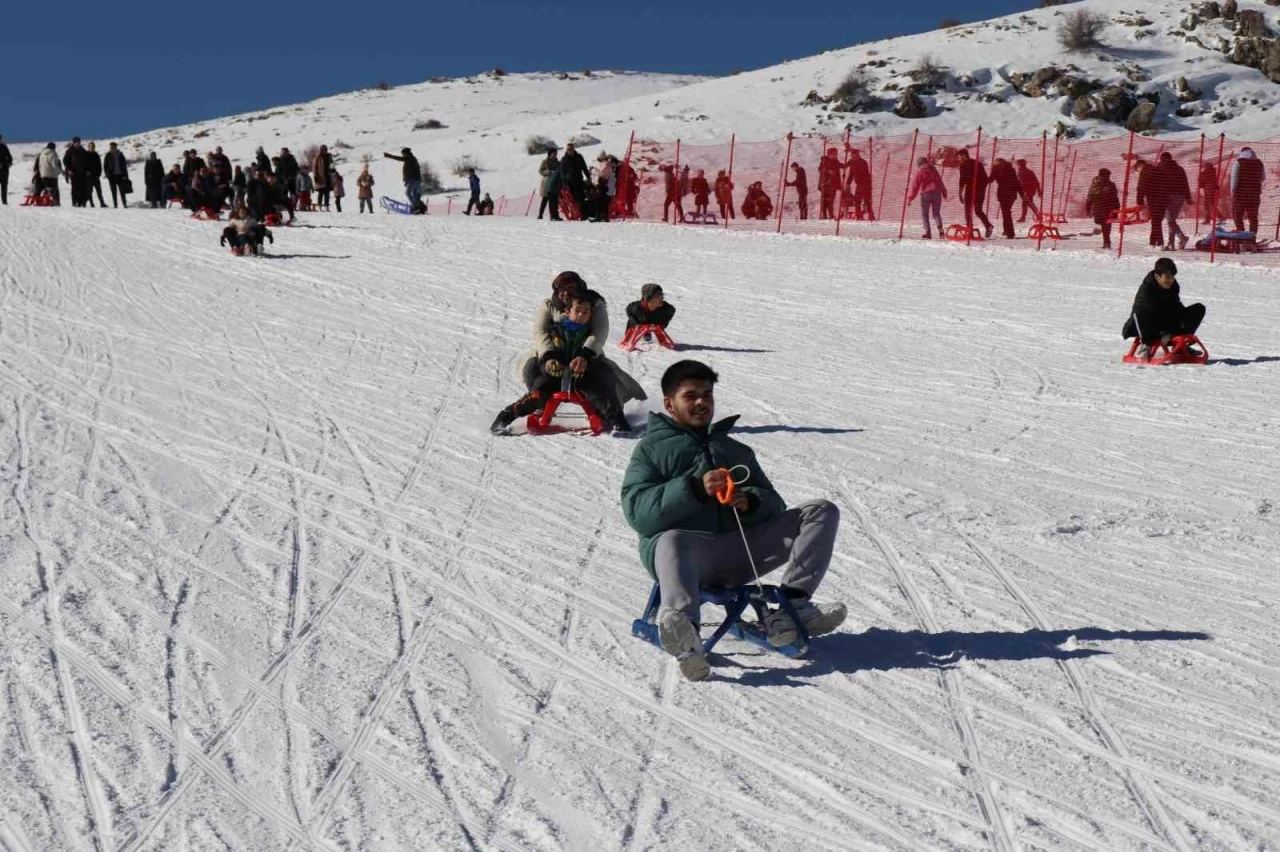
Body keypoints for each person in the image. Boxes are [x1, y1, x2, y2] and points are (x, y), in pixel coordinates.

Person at [620, 360, 847, 681]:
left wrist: (750, 501)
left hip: (740, 554)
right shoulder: (651, 451)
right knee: (671, 538)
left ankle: (792, 609)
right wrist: (695, 488)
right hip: (685, 558)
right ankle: (685, 630)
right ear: (670, 403)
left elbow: (774, 505)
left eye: (707, 395)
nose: (701, 402)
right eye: (691, 396)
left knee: (820, 511)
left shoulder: (734, 450)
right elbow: (638, 513)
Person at [490, 292, 632, 435]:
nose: (581, 315)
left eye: (585, 312)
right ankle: (506, 416)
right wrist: (549, 365)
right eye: (577, 311)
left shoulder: (592, 336)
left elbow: (597, 360)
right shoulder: (555, 332)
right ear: (567, 311)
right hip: (554, 377)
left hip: (582, 378)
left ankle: (617, 420)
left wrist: (586, 364)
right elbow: (545, 356)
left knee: (599, 391)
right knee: (538, 393)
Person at [517, 271, 647, 417]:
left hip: (585, 353)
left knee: (604, 373)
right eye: (561, 289)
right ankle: (539, 404)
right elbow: (540, 332)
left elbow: (599, 331)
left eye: (571, 288)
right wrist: (549, 356)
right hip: (554, 354)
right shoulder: (549, 305)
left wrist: (584, 356)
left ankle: (608, 409)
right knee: (531, 366)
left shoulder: (594, 304)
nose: (566, 293)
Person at [1122, 257, 1205, 360]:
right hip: (1147, 327)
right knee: (1141, 311)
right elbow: (1138, 314)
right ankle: (1145, 346)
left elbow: (1175, 306)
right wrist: (1152, 337)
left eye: (1173, 277)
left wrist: (1184, 323)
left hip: (1166, 323)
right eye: (1167, 277)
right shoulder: (1147, 290)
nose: (1171, 280)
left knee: (1198, 308)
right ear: (1157, 276)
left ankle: (1180, 346)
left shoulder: (1173, 286)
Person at [1154, 152, 1190, 251]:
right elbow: (1185, 183)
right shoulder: (1180, 169)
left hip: (1167, 196)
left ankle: (1182, 237)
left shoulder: (1159, 168)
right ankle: (1171, 243)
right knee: (1171, 220)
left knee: (1170, 220)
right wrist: (1188, 197)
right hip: (1180, 196)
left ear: (1161, 159)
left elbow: (1155, 183)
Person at [906, 156, 946, 239]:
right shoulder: (934, 170)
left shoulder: (920, 172)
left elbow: (915, 186)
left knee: (925, 214)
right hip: (937, 193)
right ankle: (941, 231)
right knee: (936, 213)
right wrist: (944, 192)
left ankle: (928, 233)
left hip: (926, 195)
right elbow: (940, 182)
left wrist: (910, 198)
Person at [956, 149, 993, 238]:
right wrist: (981, 188)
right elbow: (986, 179)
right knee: (978, 210)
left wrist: (960, 193)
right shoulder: (977, 163)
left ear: (964, 155)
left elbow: (962, 180)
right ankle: (988, 225)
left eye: (959, 157)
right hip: (979, 190)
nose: (959, 159)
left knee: (968, 211)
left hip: (971, 190)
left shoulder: (964, 165)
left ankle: (970, 232)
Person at [1085, 167, 1120, 249]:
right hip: (1100, 208)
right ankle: (1107, 243)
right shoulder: (1096, 184)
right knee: (1104, 224)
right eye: (1106, 176)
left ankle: (1107, 243)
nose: (1107, 178)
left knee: (1106, 225)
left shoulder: (1110, 184)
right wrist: (1088, 209)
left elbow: (1115, 198)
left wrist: (1116, 209)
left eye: (1108, 176)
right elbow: (1090, 197)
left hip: (1107, 208)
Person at [1230, 147, 1264, 234]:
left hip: (1241, 195)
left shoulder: (1238, 163)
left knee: (1237, 215)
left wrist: (1232, 190)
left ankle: (1241, 234)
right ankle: (1252, 237)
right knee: (1253, 217)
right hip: (1254, 195)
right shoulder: (1259, 163)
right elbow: (1263, 178)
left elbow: (1234, 178)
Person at [1134, 160, 1164, 247]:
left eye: (1137, 169)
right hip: (1164, 197)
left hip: (1154, 198)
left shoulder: (1144, 172)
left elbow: (1141, 187)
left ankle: (1157, 243)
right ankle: (1155, 242)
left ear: (1140, 166)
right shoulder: (1157, 170)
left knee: (1155, 221)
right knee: (1157, 220)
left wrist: (1140, 201)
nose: (1138, 171)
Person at [384, 147, 424, 212]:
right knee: (414, 194)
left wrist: (389, 156)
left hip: (413, 180)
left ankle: (415, 207)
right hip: (417, 179)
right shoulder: (413, 158)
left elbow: (399, 158)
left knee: (408, 193)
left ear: (406, 153)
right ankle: (421, 206)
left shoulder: (409, 158)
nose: (402, 155)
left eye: (403, 154)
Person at [990, 157, 1020, 239]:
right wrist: (1021, 194)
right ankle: (1007, 230)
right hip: (1012, 194)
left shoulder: (996, 169)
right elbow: (1016, 182)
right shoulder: (1011, 169)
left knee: (1006, 213)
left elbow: (990, 180)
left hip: (1003, 194)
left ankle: (1010, 233)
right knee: (1006, 212)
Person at [560, 142, 590, 209]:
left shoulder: (579, 157)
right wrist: (564, 184)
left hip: (579, 180)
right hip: (570, 182)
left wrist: (589, 177)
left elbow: (584, 168)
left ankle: (583, 213)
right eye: (568, 149)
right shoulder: (564, 159)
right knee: (574, 199)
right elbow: (562, 173)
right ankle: (577, 213)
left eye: (571, 149)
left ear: (574, 149)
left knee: (581, 197)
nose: (570, 150)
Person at [846, 149, 874, 221]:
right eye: (852, 155)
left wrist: (852, 163)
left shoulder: (862, 162)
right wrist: (848, 183)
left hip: (864, 183)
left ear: (857, 155)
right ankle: (860, 216)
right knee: (861, 201)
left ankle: (867, 216)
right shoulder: (854, 163)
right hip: (861, 184)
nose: (852, 156)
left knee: (864, 200)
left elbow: (861, 173)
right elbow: (851, 175)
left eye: (854, 155)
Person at [818, 147, 842, 220]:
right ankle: (825, 215)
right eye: (834, 154)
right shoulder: (825, 161)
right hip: (825, 184)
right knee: (825, 200)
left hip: (833, 184)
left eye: (836, 154)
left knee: (830, 200)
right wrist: (829, 172)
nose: (836, 155)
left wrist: (849, 163)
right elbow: (820, 170)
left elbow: (841, 165)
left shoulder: (835, 161)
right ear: (830, 154)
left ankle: (830, 215)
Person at [103, 142, 129, 208]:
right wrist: (107, 174)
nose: (111, 148)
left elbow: (124, 165)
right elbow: (105, 166)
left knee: (122, 191)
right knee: (113, 191)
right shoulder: (108, 155)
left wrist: (126, 175)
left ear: (115, 147)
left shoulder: (120, 154)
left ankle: (124, 204)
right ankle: (115, 205)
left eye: (113, 147)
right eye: (110, 147)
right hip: (112, 176)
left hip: (120, 175)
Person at [538, 150, 561, 220]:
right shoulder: (545, 162)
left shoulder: (558, 163)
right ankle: (540, 214)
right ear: (549, 154)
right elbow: (540, 171)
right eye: (553, 154)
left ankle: (554, 215)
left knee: (554, 200)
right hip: (546, 183)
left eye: (555, 154)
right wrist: (549, 172)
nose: (554, 155)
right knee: (545, 200)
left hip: (555, 184)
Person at [312, 145, 333, 209]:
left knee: (327, 192)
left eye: (325, 149)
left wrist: (333, 171)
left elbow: (332, 165)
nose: (324, 151)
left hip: (328, 176)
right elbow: (314, 167)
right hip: (320, 176)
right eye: (323, 149)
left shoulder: (329, 157)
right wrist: (315, 176)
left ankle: (326, 206)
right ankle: (319, 206)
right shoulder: (317, 157)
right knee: (321, 192)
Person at [1198, 160, 1219, 225]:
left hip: (1207, 190)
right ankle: (1216, 217)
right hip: (1211, 190)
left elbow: (1201, 182)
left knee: (1208, 205)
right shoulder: (1213, 172)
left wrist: (1200, 175)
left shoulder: (1205, 173)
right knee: (1211, 204)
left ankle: (1209, 219)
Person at [0, 134, 12, 205]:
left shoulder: (4, 147)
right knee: (4, 186)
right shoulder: (4, 147)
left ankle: (4, 201)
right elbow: (10, 158)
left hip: (4, 169)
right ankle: (4, 201)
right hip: (4, 170)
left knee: (4, 186)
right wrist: (7, 164)